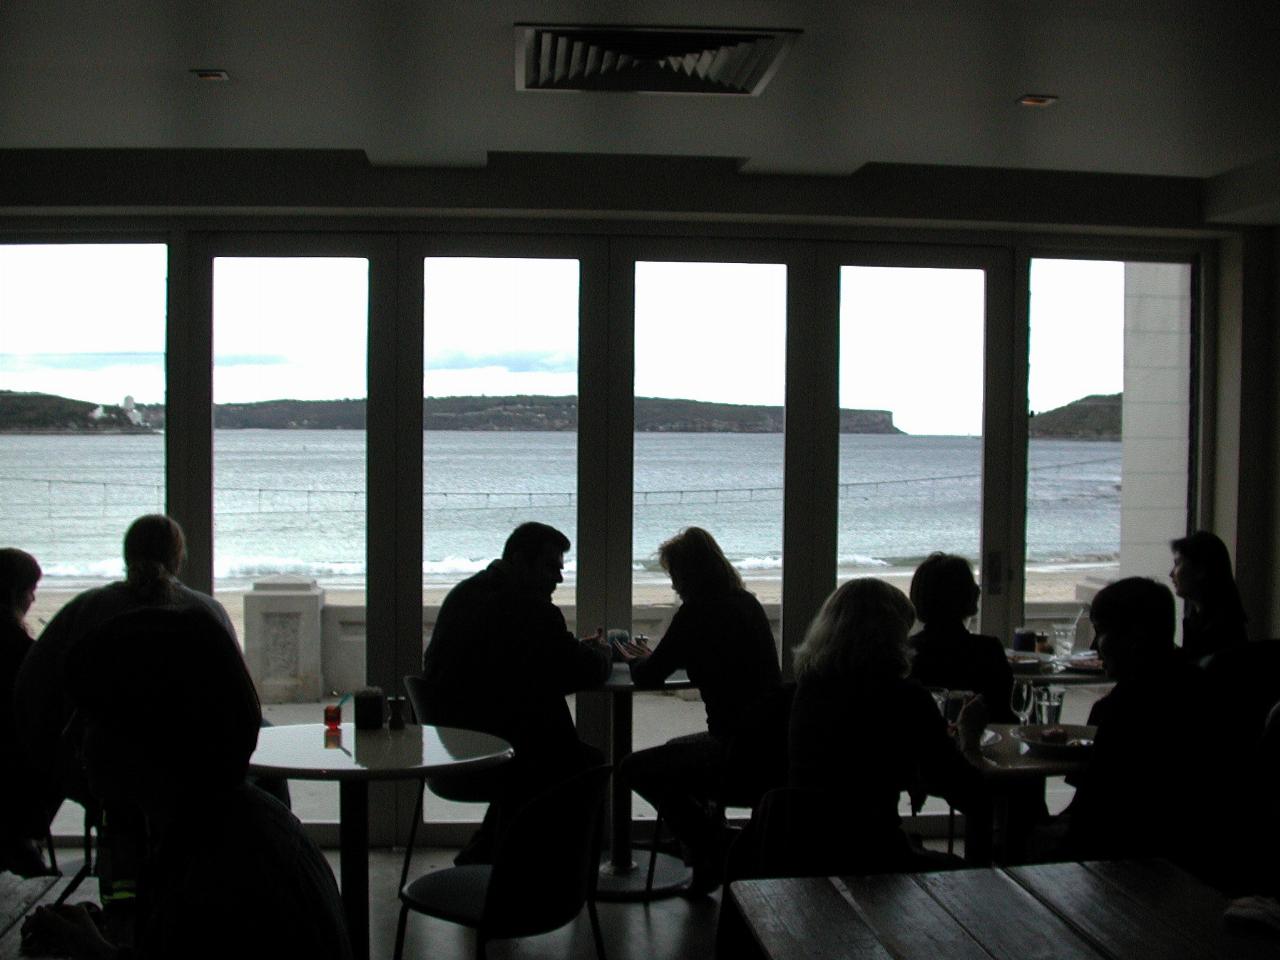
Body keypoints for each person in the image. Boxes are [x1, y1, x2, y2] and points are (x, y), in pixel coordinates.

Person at [26, 606, 352, 960]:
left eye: (89, 718)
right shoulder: (241, 830)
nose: (70, 733)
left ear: (148, 733)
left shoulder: (212, 876)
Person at [419, 521, 611, 863]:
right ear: (521, 562)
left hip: (452, 746)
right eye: (551, 567)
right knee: (588, 766)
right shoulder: (529, 608)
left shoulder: (465, 593)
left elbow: (528, 662)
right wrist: (604, 653)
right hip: (499, 752)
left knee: (540, 746)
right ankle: (575, 875)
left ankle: (485, 854)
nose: (559, 578)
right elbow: (584, 670)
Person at [14, 514, 235, 801]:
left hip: (103, 770)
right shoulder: (206, 611)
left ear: (127, 554)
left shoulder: (87, 608)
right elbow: (236, 694)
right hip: (189, 766)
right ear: (178, 559)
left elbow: (31, 684)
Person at [615, 527, 785, 896]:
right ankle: (704, 853)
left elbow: (649, 675)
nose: (674, 584)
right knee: (679, 747)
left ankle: (713, 845)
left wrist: (632, 657)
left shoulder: (697, 612)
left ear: (688, 574)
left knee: (633, 768)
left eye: (675, 574)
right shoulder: (746, 602)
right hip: (770, 745)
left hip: (732, 747)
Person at [787, 578, 991, 874]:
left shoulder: (809, 691)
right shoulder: (904, 698)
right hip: (873, 856)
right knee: (969, 842)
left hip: (805, 852)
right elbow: (965, 788)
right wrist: (969, 741)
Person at [1059, 577, 1225, 876]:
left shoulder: (1121, 707)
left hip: (1128, 867)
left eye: (1101, 631)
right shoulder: (1208, 689)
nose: (1094, 645)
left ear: (1134, 636)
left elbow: (1091, 819)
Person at [907, 552, 1016, 723]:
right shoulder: (987, 651)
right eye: (971, 584)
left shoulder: (906, 653)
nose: (978, 589)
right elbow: (1005, 716)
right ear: (965, 595)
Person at [0, 547, 56, 876]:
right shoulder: (22, 652)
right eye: (30, 591)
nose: (33, 599)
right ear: (14, 595)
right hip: (13, 773)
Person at [1170, 530, 1248, 663]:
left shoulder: (1220, 634)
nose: (1171, 573)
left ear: (1200, 570)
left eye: (1177, 563)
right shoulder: (1221, 622)